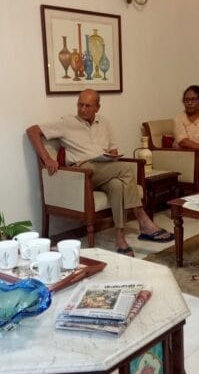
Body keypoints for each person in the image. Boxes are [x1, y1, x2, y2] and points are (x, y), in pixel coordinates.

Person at [26, 89, 174, 256]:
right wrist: (47, 159)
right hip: (82, 171)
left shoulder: (104, 123)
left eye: (88, 106)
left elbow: (113, 148)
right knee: (126, 169)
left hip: (104, 167)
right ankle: (141, 217)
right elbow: (32, 131)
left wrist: (112, 156)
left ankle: (120, 237)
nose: (83, 109)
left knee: (117, 185)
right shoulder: (67, 122)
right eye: (80, 105)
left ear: (98, 107)